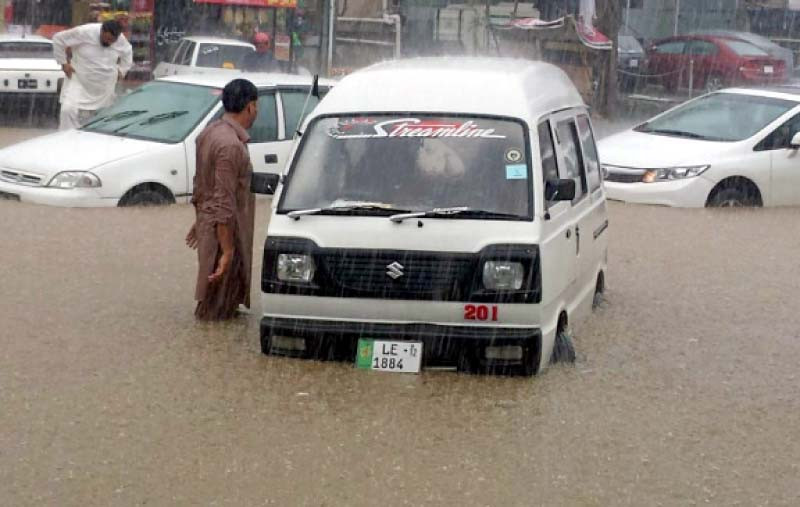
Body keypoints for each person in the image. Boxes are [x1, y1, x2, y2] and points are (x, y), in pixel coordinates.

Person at [185, 79, 258, 321]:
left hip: (211, 225)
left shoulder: (209, 132)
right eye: (256, 106)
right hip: (226, 232)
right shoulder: (231, 146)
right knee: (219, 308)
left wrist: (200, 220)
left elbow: (202, 184)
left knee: (214, 304)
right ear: (250, 106)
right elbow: (225, 199)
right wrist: (227, 251)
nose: (256, 112)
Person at [52, 20, 132, 130]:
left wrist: (122, 71)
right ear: (102, 31)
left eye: (112, 41)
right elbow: (58, 39)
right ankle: (67, 138)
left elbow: (128, 53)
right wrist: (63, 63)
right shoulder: (84, 32)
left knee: (102, 117)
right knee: (68, 110)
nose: (109, 43)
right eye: (107, 39)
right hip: (79, 80)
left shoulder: (120, 39)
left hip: (105, 85)